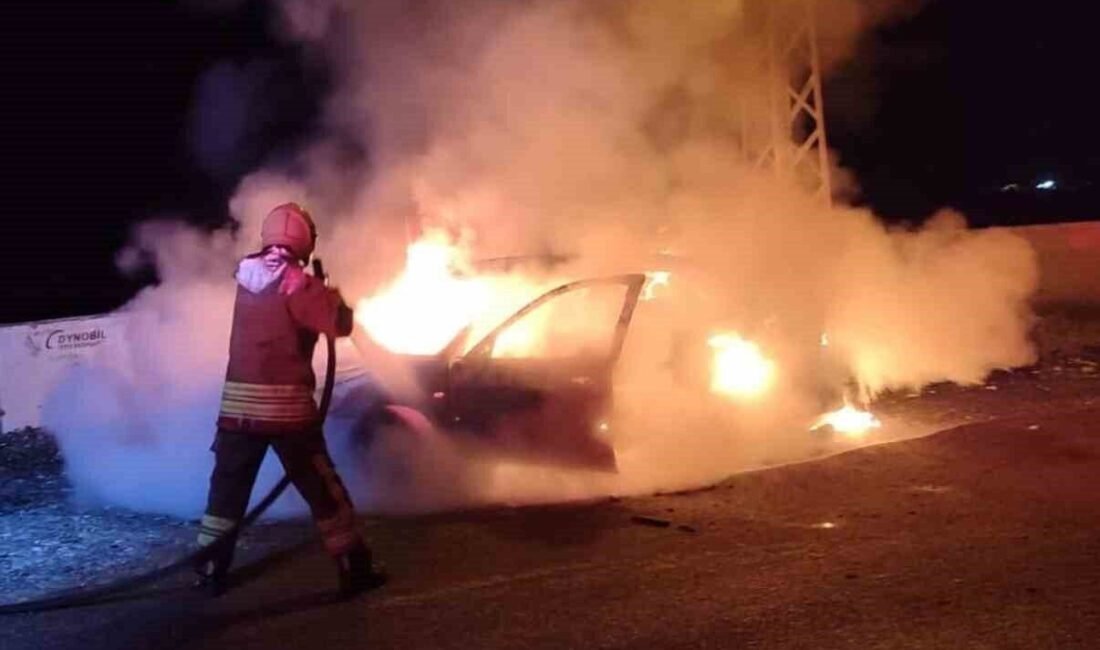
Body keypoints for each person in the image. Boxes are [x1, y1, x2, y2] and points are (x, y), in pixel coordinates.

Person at [194, 202, 383, 598]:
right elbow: (341, 324)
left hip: (236, 415)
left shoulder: (247, 276)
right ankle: (354, 566)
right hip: (287, 415)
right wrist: (328, 292)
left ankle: (210, 569)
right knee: (323, 491)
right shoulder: (298, 282)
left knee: (226, 493)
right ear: (304, 240)